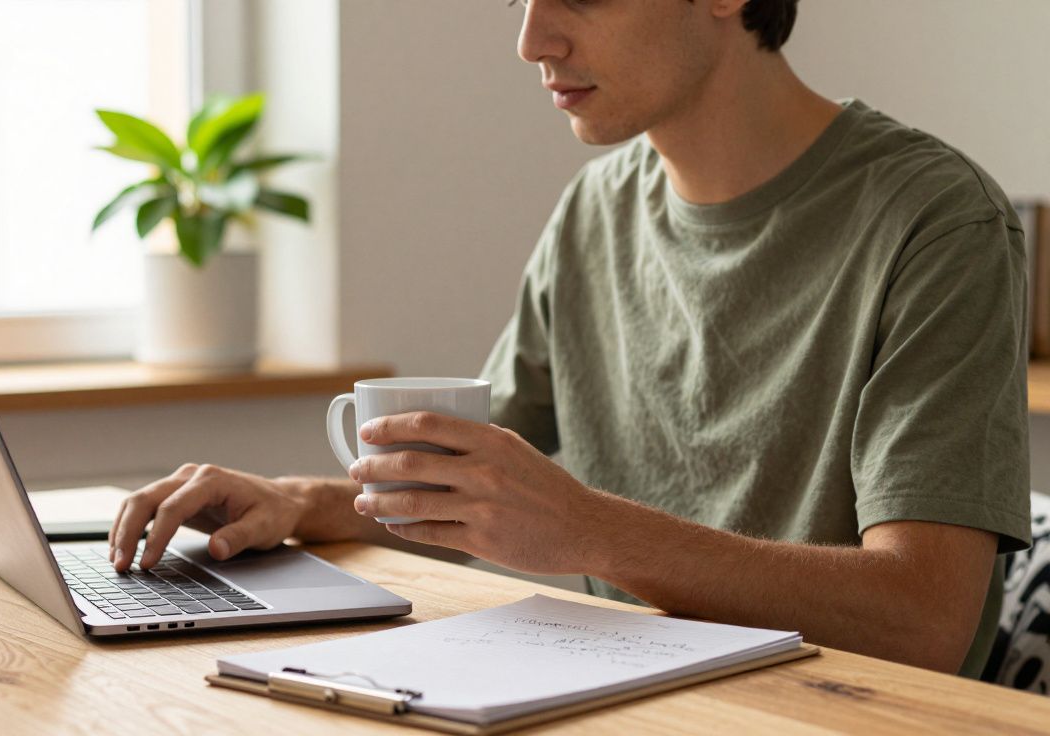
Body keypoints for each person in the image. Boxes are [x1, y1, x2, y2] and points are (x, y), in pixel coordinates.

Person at [109, 0, 1032, 677]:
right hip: (612, 694)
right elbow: (471, 491)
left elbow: (923, 621)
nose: (530, 39)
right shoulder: (597, 211)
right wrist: (292, 502)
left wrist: (585, 529)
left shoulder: (936, 222)